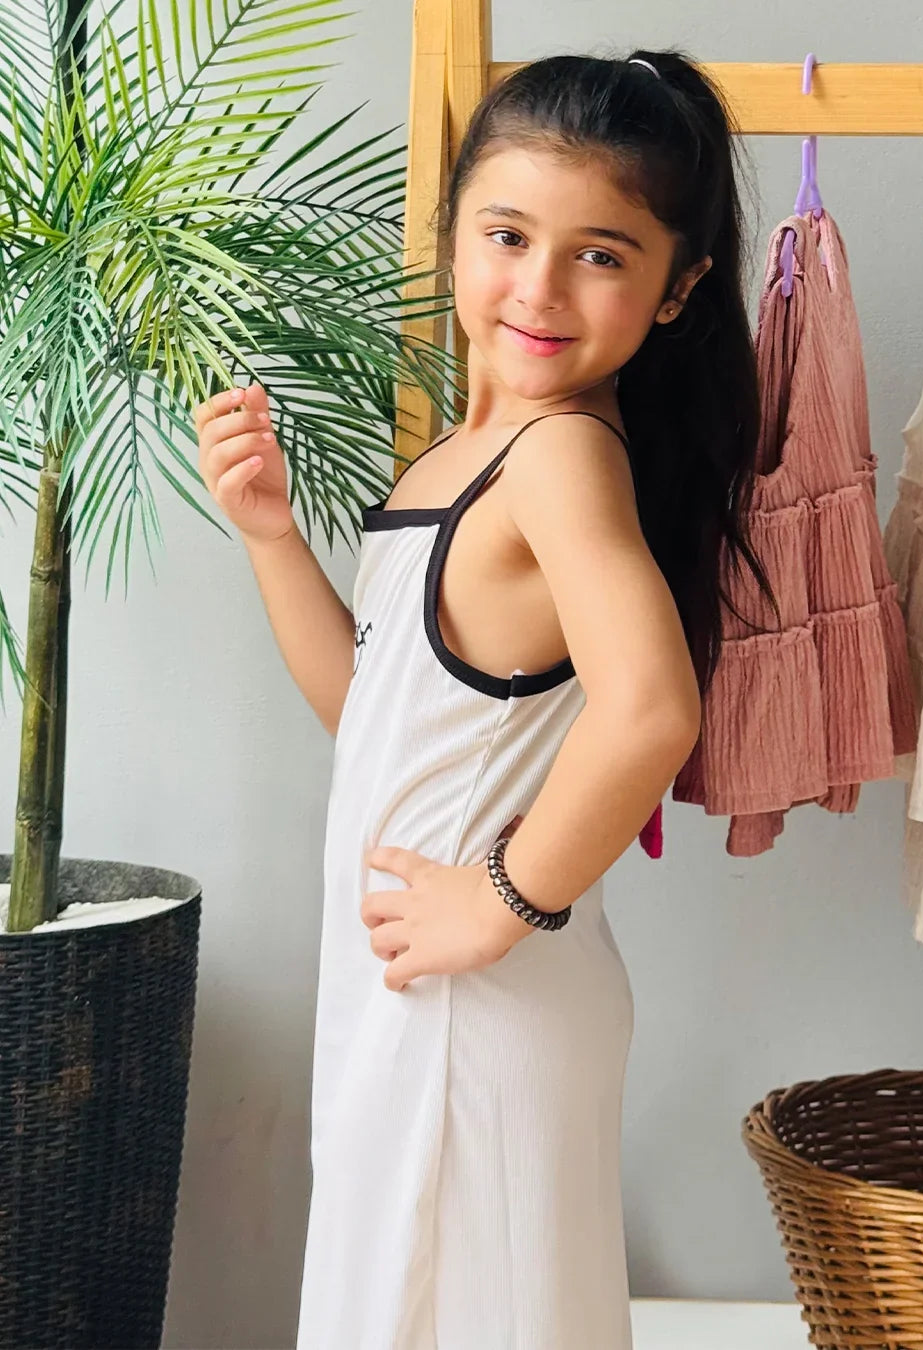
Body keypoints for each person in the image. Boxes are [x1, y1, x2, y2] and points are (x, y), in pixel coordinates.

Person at [194, 46, 768, 1350]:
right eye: (508, 233)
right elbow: (380, 713)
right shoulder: (469, 451)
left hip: (479, 999)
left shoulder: (562, 457)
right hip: (429, 991)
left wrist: (502, 900)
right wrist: (275, 535)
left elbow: (650, 708)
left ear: (678, 287)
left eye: (602, 253)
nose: (541, 285)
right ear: (456, 234)